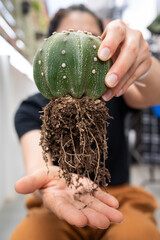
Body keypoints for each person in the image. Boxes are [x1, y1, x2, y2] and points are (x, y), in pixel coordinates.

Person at [10, 4, 160, 240]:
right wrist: (49, 181)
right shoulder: (31, 108)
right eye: (68, 37)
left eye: (90, 38)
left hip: (119, 196)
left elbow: (156, 92)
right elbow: (38, 164)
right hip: (59, 196)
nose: (80, 48)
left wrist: (142, 63)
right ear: (49, 48)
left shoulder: (115, 92)